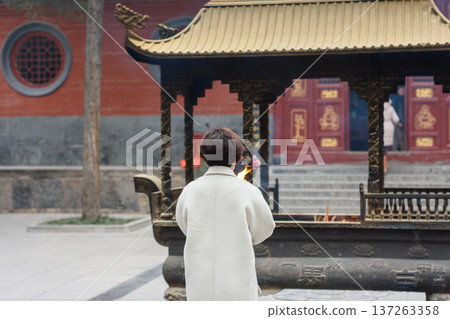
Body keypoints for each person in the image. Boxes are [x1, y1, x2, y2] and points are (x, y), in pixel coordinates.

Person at [175, 128, 275, 301]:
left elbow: (184, 225)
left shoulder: (189, 191)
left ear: (204, 157)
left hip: (200, 283)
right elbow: (265, 228)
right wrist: (243, 237)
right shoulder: (248, 191)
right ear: (238, 158)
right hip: (238, 284)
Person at [383, 99, 402, 173]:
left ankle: (382, 166)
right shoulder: (391, 108)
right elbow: (396, 119)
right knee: (385, 148)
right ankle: (385, 167)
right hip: (389, 126)